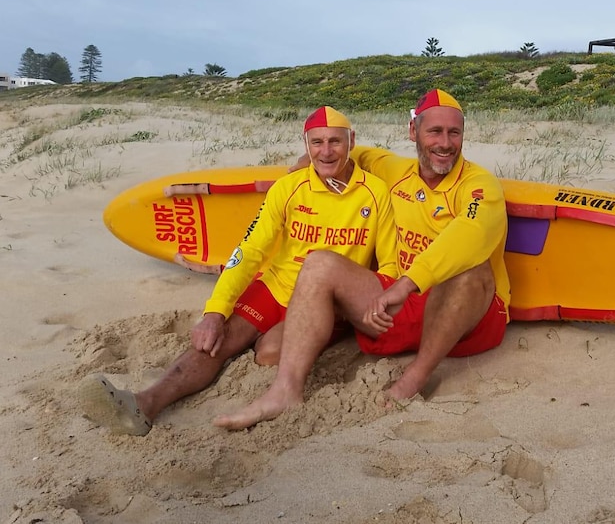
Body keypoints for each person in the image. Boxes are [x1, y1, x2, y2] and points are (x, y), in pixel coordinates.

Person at [78, 106, 398, 436]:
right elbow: (248, 252)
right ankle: (143, 404)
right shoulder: (288, 188)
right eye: (317, 142)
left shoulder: (375, 193)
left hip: (323, 301)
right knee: (215, 340)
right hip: (276, 285)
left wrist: (356, 310)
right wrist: (215, 312)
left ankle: (273, 358)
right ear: (306, 144)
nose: (326, 151)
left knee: (268, 353)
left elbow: (389, 266)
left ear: (351, 141)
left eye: (335, 141)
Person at [213, 88, 511, 431]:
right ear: (413, 132)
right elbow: (357, 153)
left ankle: (414, 378)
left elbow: (470, 233)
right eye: (434, 132)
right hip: (399, 307)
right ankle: (284, 392)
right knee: (318, 263)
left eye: (454, 133)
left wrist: (406, 283)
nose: (444, 143)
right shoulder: (395, 170)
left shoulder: (480, 185)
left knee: (471, 267)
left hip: (466, 318)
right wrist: (308, 159)